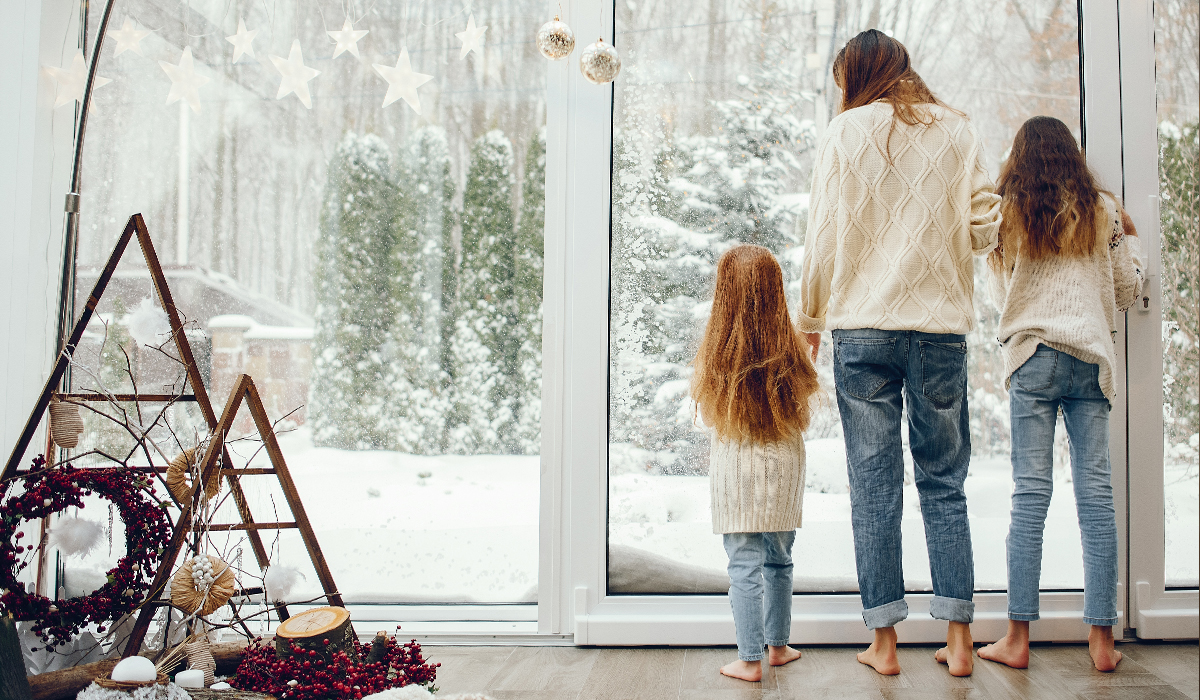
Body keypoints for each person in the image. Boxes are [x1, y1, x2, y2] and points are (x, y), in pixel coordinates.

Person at [797, 29, 1002, 677]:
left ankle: (883, 645)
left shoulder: (843, 133)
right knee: (945, 482)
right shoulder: (958, 130)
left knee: (874, 485)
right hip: (939, 328)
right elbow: (980, 230)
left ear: (855, 78)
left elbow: (823, 236)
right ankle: (962, 642)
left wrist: (808, 316)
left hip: (860, 328)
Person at [977, 116, 1143, 673]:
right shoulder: (1102, 210)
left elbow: (1002, 291)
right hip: (1090, 358)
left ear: (1019, 158)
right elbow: (1124, 288)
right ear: (1072, 154)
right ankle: (1101, 642)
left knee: (1031, 495)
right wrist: (1133, 243)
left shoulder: (1010, 210)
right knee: (1095, 497)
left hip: (1032, 357)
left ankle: (1018, 638)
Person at [690, 244, 821, 682]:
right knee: (779, 558)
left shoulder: (716, 353)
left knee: (743, 562)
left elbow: (708, 414)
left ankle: (749, 659)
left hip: (737, 472)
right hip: (784, 465)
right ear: (775, 292)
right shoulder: (792, 348)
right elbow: (804, 396)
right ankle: (778, 646)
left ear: (724, 294)